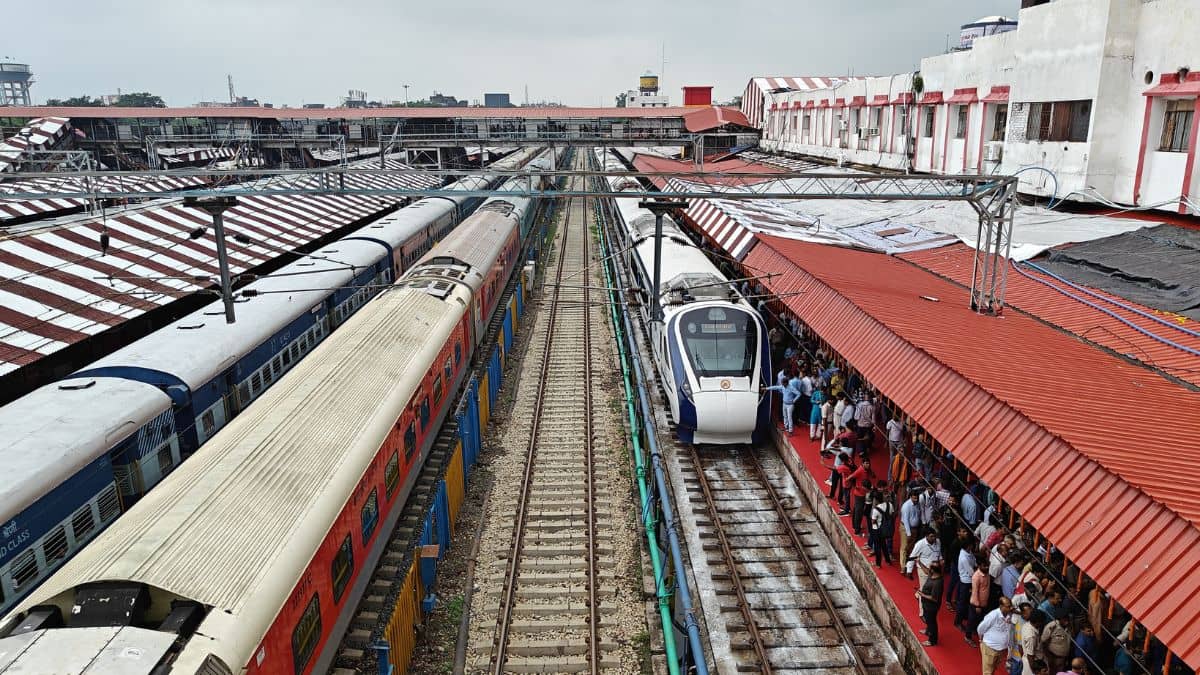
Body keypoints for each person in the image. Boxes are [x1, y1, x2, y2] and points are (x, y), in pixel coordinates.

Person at [977, 597, 1014, 675]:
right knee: (988, 672)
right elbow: (981, 628)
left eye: (1010, 606)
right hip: (990, 648)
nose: (1010, 608)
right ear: (1001, 606)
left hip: (1000, 649)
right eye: (1008, 606)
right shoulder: (993, 615)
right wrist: (981, 639)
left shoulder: (1009, 614)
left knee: (992, 669)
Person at [916, 562, 944, 647]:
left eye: (930, 568)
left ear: (933, 570)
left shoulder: (937, 583)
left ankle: (932, 640)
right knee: (927, 619)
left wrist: (922, 594)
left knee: (932, 622)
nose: (929, 569)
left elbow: (934, 598)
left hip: (931, 606)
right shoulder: (932, 574)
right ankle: (928, 631)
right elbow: (926, 571)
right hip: (926, 604)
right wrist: (919, 562)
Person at [899, 491, 923, 576]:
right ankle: (902, 566)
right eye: (914, 498)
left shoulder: (918, 504)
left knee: (911, 547)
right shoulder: (906, 506)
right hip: (906, 529)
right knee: (904, 547)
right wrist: (908, 533)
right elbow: (905, 520)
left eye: (917, 498)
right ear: (911, 497)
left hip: (914, 529)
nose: (916, 499)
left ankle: (908, 563)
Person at [870, 492, 895, 568]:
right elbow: (892, 514)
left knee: (877, 547)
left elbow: (873, 521)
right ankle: (888, 560)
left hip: (877, 529)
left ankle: (878, 564)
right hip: (886, 528)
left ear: (877, 500)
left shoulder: (876, 509)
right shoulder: (890, 505)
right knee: (884, 545)